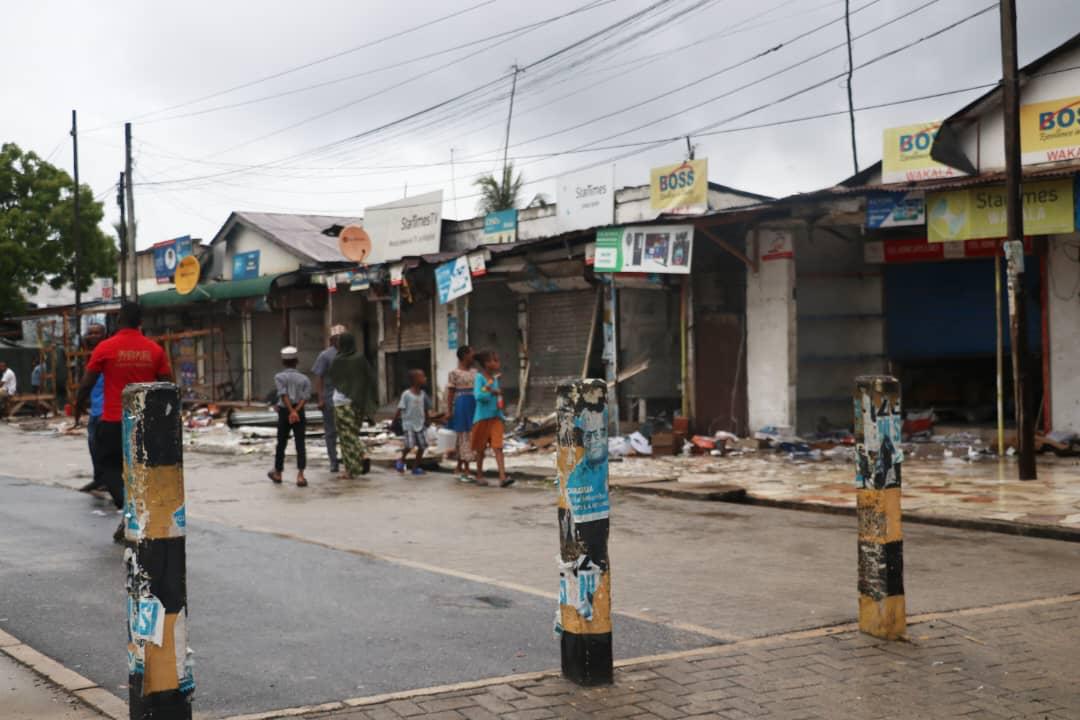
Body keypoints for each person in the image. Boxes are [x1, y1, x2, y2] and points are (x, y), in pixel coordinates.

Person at [75, 303, 172, 543]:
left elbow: (87, 383)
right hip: (144, 423)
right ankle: (132, 516)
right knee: (141, 471)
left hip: (113, 420)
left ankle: (130, 511)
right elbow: (168, 385)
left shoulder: (105, 348)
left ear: (119, 321)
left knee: (108, 468)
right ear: (141, 322)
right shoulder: (155, 350)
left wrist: (77, 408)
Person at [328, 332, 378, 479]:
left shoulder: (338, 360)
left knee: (346, 437)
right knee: (352, 433)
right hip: (357, 403)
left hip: (341, 403)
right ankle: (351, 470)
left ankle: (361, 454)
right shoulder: (360, 359)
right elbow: (369, 378)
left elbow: (333, 377)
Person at [268, 346, 310, 488]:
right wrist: (296, 411)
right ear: (296, 361)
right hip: (299, 411)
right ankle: (300, 476)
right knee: (300, 443)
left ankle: (278, 473)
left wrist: (290, 411)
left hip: (285, 411)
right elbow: (305, 397)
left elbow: (283, 394)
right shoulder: (304, 378)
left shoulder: (279, 377)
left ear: (283, 362)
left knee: (281, 443)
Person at [472, 350, 512, 487]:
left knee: (498, 447)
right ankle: (479, 475)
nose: (498, 363)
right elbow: (479, 396)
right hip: (482, 418)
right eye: (495, 360)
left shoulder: (494, 379)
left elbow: (494, 396)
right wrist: (492, 390)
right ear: (487, 363)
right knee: (480, 449)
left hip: (496, 417)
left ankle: (502, 477)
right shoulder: (480, 378)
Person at [78, 323, 107, 495]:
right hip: (96, 408)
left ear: (104, 335)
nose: (92, 336)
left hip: (107, 409)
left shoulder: (107, 352)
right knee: (93, 444)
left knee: (103, 447)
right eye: (90, 333)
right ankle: (99, 478)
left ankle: (107, 481)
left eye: (96, 333)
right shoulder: (92, 356)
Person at [312, 324, 345, 473]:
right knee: (331, 432)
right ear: (332, 340)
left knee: (347, 431)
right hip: (330, 399)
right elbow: (318, 377)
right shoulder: (325, 355)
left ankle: (348, 458)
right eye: (337, 338)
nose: (339, 341)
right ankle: (333, 461)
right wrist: (320, 398)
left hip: (347, 399)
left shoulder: (350, 354)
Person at [446, 345, 477, 483]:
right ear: (464, 356)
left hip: (474, 405)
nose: (473, 356)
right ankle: (466, 470)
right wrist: (449, 410)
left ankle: (460, 467)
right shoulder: (454, 373)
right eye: (471, 354)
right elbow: (451, 393)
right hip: (462, 405)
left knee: (470, 435)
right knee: (464, 435)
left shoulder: (475, 372)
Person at [394, 369, 431, 475]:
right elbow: (400, 408)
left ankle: (415, 467)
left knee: (423, 446)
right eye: (422, 377)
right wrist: (394, 421)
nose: (425, 378)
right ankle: (401, 459)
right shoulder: (406, 394)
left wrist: (428, 419)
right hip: (409, 424)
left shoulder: (423, 394)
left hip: (420, 424)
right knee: (409, 445)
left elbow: (425, 409)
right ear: (414, 380)